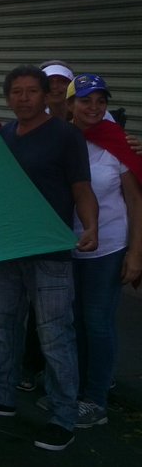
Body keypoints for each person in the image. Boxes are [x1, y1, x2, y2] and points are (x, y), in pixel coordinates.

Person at [0, 65, 97, 452]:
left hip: (49, 251)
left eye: (31, 91)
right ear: (8, 98)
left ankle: (62, 415)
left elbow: (81, 188)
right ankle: (1, 395)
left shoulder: (65, 136)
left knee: (55, 335)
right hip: (7, 247)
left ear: (45, 95)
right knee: (1, 325)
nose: (23, 98)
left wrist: (90, 227)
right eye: (15, 92)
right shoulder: (5, 133)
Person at [65, 74, 142, 427]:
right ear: (70, 106)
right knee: (74, 321)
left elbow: (135, 200)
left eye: (100, 100)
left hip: (108, 247)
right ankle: (77, 387)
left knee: (97, 321)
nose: (94, 107)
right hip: (66, 247)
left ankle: (95, 400)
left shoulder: (117, 143)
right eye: (85, 100)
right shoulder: (60, 140)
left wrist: (135, 253)